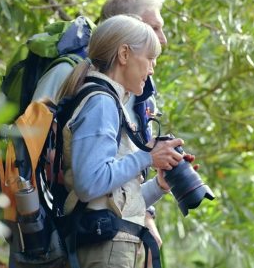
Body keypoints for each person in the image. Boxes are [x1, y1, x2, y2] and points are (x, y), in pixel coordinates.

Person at [57, 15, 183, 267]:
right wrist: (147, 157)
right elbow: (89, 184)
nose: (152, 68)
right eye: (149, 58)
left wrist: (158, 186)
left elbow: (109, 200)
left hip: (112, 242)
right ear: (124, 54)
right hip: (105, 248)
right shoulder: (101, 103)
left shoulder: (110, 102)